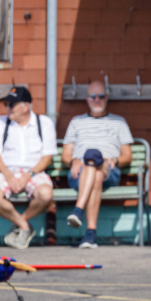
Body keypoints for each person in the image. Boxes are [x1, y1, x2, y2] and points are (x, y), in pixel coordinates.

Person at [61, 81, 133, 249]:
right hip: (80, 172)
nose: (97, 100)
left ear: (107, 98)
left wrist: (116, 160)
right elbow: (65, 153)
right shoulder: (76, 122)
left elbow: (127, 155)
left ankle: (78, 210)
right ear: (87, 99)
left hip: (110, 169)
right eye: (93, 97)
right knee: (95, 172)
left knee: (95, 162)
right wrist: (73, 161)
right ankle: (90, 234)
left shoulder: (119, 122)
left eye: (101, 96)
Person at [0, 86, 56, 249]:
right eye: (7, 104)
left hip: (34, 172)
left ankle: (19, 223)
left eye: (13, 104)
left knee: (45, 194)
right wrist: (9, 176)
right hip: (6, 171)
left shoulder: (43, 123)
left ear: (26, 105)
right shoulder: (1, 123)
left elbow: (47, 157)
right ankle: (24, 226)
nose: (8, 108)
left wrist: (28, 175)